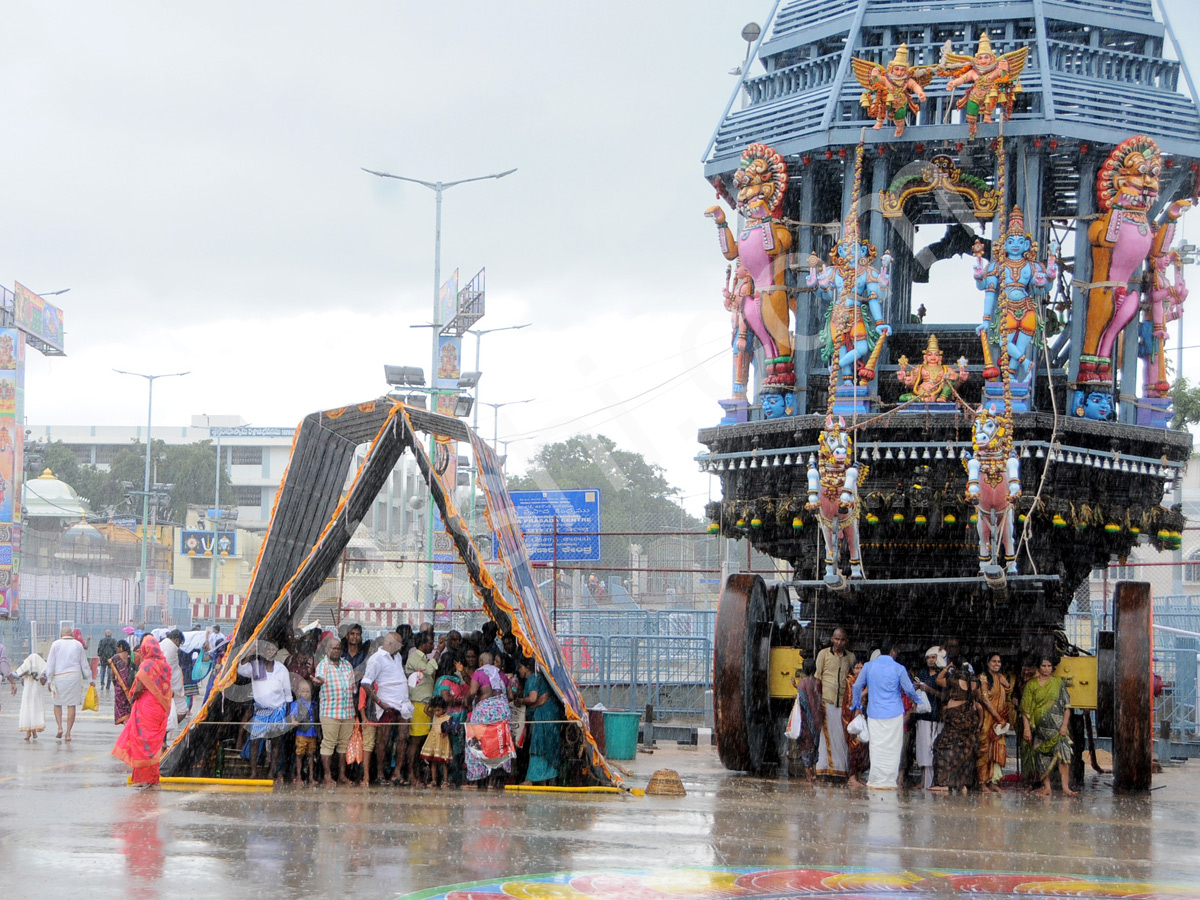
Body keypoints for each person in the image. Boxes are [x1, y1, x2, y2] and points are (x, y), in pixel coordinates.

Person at [850, 638, 919, 790]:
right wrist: (916, 700)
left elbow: (856, 687)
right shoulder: (899, 668)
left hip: (875, 713)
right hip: (894, 713)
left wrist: (857, 705)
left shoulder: (868, 667)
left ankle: (875, 780)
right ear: (893, 651)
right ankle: (889, 781)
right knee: (893, 748)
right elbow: (908, 690)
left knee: (876, 747)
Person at [111, 635, 174, 785]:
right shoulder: (164, 665)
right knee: (153, 744)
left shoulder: (147, 665)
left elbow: (139, 687)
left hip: (146, 707)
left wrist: (132, 700)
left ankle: (143, 777)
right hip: (159, 709)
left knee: (142, 742)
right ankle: (152, 777)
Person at [236, 641, 294, 783]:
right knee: (255, 740)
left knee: (276, 742)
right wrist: (249, 653)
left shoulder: (282, 670)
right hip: (261, 711)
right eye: (268, 649)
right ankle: (254, 772)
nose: (270, 652)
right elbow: (240, 669)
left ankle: (271, 772)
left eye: (273, 649)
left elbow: (288, 695)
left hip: (278, 711)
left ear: (276, 652)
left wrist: (287, 716)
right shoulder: (256, 666)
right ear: (262, 651)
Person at [1019, 654, 1076, 797]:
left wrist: (1064, 726)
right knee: (1042, 759)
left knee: (1063, 756)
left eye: (1049, 666)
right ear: (1039, 667)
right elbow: (1025, 709)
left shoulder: (1058, 683)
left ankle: (1065, 787)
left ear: (1053, 668)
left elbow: (1067, 707)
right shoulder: (1031, 685)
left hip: (1058, 729)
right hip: (1039, 730)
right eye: (1043, 666)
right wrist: (1027, 729)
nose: (1046, 668)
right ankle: (1047, 788)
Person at [361, 633, 414, 785]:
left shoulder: (396, 656)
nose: (400, 649)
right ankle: (380, 773)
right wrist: (379, 702)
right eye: (399, 646)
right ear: (389, 644)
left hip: (403, 703)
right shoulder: (376, 659)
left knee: (403, 738)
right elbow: (365, 683)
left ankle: (397, 772)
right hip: (387, 705)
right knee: (383, 740)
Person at [930, 653, 980, 794]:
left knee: (942, 747)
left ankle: (944, 782)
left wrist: (947, 667)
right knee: (965, 750)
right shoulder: (975, 682)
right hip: (969, 718)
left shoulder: (953, 680)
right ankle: (963, 783)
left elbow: (938, 680)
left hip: (956, 718)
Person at [313, 637, 356, 786]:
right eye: (333, 648)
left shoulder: (347, 665)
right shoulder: (323, 666)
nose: (336, 650)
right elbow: (319, 679)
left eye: (338, 648)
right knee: (328, 744)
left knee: (343, 745)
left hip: (348, 712)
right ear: (327, 649)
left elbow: (353, 689)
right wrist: (318, 682)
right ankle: (327, 776)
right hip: (330, 712)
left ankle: (342, 775)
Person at [814, 627, 856, 779]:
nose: (839, 642)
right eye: (837, 639)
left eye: (842, 639)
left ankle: (839, 770)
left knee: (840, 737)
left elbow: (852, 678)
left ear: (846, 641)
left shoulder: (850, 657)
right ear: (832, 639)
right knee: (825, 738)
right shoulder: (823, 654)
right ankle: (824, 769)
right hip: (827, 700)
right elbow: (818, 678)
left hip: (843, 703)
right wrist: (817, 700)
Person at [466, 651, 512, 788]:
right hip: (502, 712)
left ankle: (476, 780)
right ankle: (493, 780)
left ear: (480, 663)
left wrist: (468, 701)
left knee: (477, 742)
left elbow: (473, 692)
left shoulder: (479, 673)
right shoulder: (501, 675)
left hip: (484, 712)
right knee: (497, 744)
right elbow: (511, 696)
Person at [41, 626, 95, 741]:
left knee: (57, 703)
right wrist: (90, 679)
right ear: (72, 634)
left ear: (61, 634)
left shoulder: (56, 644)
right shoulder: (78, 645)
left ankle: (60, 727)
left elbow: (50, 664)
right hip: (74, 677)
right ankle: (68, 733)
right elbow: (84, 664)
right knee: (71, 705)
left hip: (59, 677)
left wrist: (49, 680)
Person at [519, 658, 564, 786]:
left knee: (538, 746)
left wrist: (521, 701)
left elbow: (533, 698)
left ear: (527, 668)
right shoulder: (542, 679)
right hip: (550, 715)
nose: (519, 670)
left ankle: (533, 778)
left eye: (521, 667)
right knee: (549, 746)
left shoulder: (533, 678)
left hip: (543, 717)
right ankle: (548, 779)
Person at [402, 631, 439, 785]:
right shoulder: (415, 658)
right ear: (422, 644)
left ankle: (417, 773)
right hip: (418, 704)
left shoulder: (422, 658)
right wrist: (438, 654)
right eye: (430, 643)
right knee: (415, 742)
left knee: (422, 742)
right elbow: (428, 670)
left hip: (425, 704)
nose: (433, 645)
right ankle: (411, 774)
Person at [976, 652, 1012, 792]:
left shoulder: (999, 677)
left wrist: (1005, 682)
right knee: (984, 750)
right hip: (988, 718)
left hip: (998, 721)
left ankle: (992, 781)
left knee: (996, 749)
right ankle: (982, 782)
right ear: (988, 663)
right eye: (994, 661)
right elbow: (985, 699)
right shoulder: (983, 678)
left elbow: (1008, 690)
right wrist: (998, 717)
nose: (997, 664)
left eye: (999, 661)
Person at [434, 652, 469, 787]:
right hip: (449, 720)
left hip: (459, 719)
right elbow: (446, 698)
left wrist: (463, 673)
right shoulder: (445, 680)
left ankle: (455, 778)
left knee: (457, 751)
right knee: (449, 750)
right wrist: (461, 701)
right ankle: (448, 779)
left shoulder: (456, 679)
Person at [912, 647, 945, 790]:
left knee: (934, 751)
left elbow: (945, 696)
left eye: (933, 657)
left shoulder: (943, 675)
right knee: (923, 750)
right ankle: (925, 781)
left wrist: (929, 690)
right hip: (923, 717)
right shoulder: (923, 673)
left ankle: (934, 782)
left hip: (937, 717)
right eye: (928, 658)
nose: (931, 660)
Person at [789, 657, 824, 784]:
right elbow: (815, 698)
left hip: (806, 720)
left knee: (805, 747)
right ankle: (814, 773)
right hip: (817, 719)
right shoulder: (818, 682)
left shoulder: (803, 682)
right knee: (814, 747)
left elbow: (803, 700)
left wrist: (796, 689)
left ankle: (808, 776)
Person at [842, 660, 869, 787]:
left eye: (861, 668)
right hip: (851, 717)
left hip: (862, 716)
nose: (858, 671)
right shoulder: (850, 681)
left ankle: (858, 776)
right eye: (856, 668)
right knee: (854, 747)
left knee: (863, 748)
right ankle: (852, 776)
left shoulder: (866, 681)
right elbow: (849, 700)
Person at [289, 680, 319, 786]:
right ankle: (298, 776)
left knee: (311, 755)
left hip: (313, 734)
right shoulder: (297, 703)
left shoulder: (315, 704)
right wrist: (293, 721)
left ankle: (311, 777)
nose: (305, 694)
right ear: (299, 692)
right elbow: (293, 713)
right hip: (302, 733)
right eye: (303, 691)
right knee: (300, 755)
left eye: (308, 691)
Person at [420, 695, 453, 788]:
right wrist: (431, 702)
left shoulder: (448, 718)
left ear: (444, 709)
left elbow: (451, 729)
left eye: (438, 710)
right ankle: (434, 780)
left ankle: (445, 781)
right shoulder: (434, 716)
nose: (436, 713)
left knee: (443, 762)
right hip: (433, 740)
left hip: (442, 741)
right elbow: (425, 710)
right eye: (435, 710)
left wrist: (446, 732)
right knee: (433, 761)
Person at [14, 650, 47, 741]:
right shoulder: (39, 671)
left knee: (27, 709)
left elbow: (19, 674)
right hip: (37, 692)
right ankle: (33, 731)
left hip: (28, 692)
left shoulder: (26, 668)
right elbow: (43, 681)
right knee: (35, 709)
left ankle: (29, 732)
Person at [160, 630, 188, 732]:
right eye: (179, 643)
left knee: (166, 713)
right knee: (182, 710)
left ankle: (162, 736)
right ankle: (163, 733)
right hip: (171, 686)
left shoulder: (164, 644)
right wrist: (168, 688)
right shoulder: (171, 647)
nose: (179, 646)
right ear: (176, 639)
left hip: (170, 685)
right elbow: (166, 668)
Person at [109, 641, 135, 725]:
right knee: (131, 707)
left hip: (120, 686)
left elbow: (112, 675)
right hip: (132, 685)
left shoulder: (116, 658)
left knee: (122, 709)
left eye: (117, 648)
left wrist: (115, 684)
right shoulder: (132, 656)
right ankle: (131, 724)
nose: (116, 650)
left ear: (121, 647)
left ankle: (127, 726)